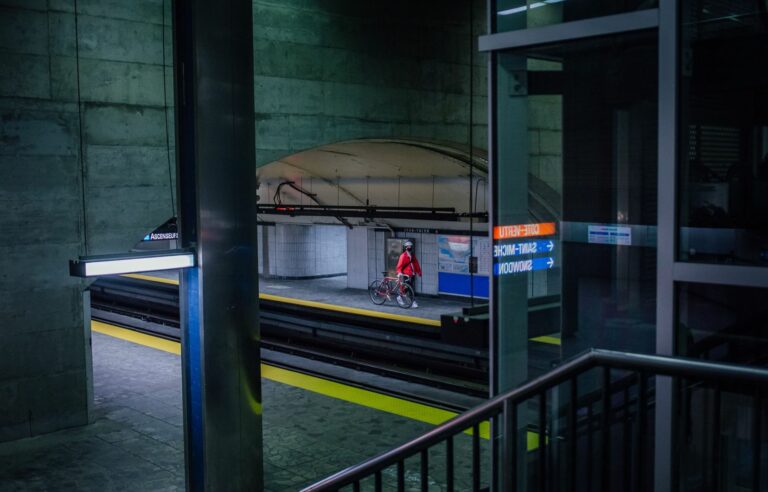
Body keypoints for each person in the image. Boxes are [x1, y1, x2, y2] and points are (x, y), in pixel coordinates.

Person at [395, 240, 422, 308]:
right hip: (406, 275)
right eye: (408, 246)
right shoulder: (403, 256)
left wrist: (419, 272)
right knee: (411, 289)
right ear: (405, 247)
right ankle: (412, 302)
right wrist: (399, 272)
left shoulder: (412, 255)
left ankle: (399, 296)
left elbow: (416, 264)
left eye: (410, 246)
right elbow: (399, 265)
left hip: (412, 274)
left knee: (408, 288)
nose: (410, 247)